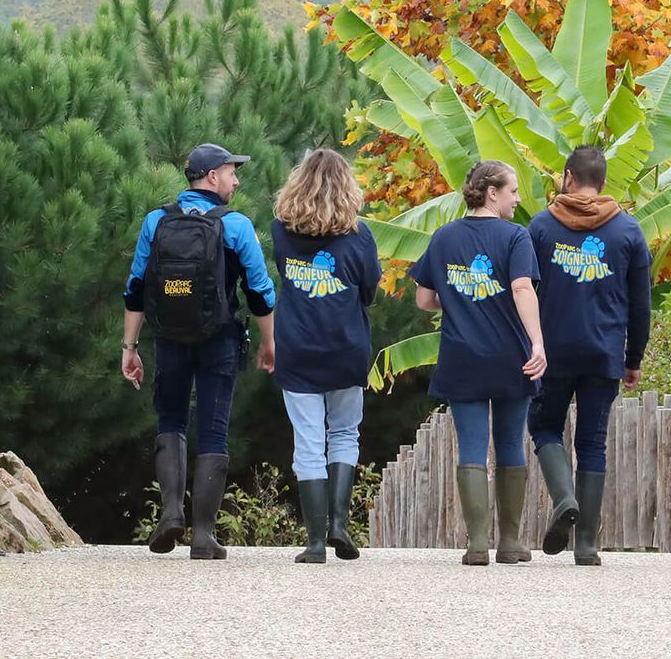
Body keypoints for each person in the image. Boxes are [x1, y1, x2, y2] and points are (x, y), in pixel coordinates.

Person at [121, 143, 276, 560]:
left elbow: (136, 287)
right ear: (212, 177)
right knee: (213, 430)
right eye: (231, 172)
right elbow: (260, 292)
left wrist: (129, 347)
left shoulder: (156, 221)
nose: (235, 181)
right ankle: (203, 536)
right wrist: (268, 341)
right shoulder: (236, 226)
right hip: (218, 341)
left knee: (170, 420)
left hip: (170, 339)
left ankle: (171, 513)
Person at [411, 160, 547, 566]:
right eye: (513, 191)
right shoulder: (516, 237)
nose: (517, 199)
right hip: (511, 358)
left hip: (462, 357)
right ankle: (510, 542)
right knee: (510, 443)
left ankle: (476, 544)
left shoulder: (444, 237)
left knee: (471, 445)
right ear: (492, 193)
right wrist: (538, 342)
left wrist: (459, 300)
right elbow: (522, 288)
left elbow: (424, 299)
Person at [526, 146, 651, 566]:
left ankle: (564, 500)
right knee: (592, 442)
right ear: (603, 181)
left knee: (544, 427)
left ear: (567, 177)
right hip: (604, 352)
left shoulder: (541, 227)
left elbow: (524, 290)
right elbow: (641, 305)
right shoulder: (628, 230)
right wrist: (634, 359)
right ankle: (586, 546)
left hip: (553, 351)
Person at [270, 149, 381, 564]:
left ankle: (315, 542)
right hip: (346, 348)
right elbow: (369, 290)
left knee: (308, 441)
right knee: (345, 433)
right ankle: (339, 524)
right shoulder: (360, 236)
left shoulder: (281, 231)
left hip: (298, 348)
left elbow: (283, 274)